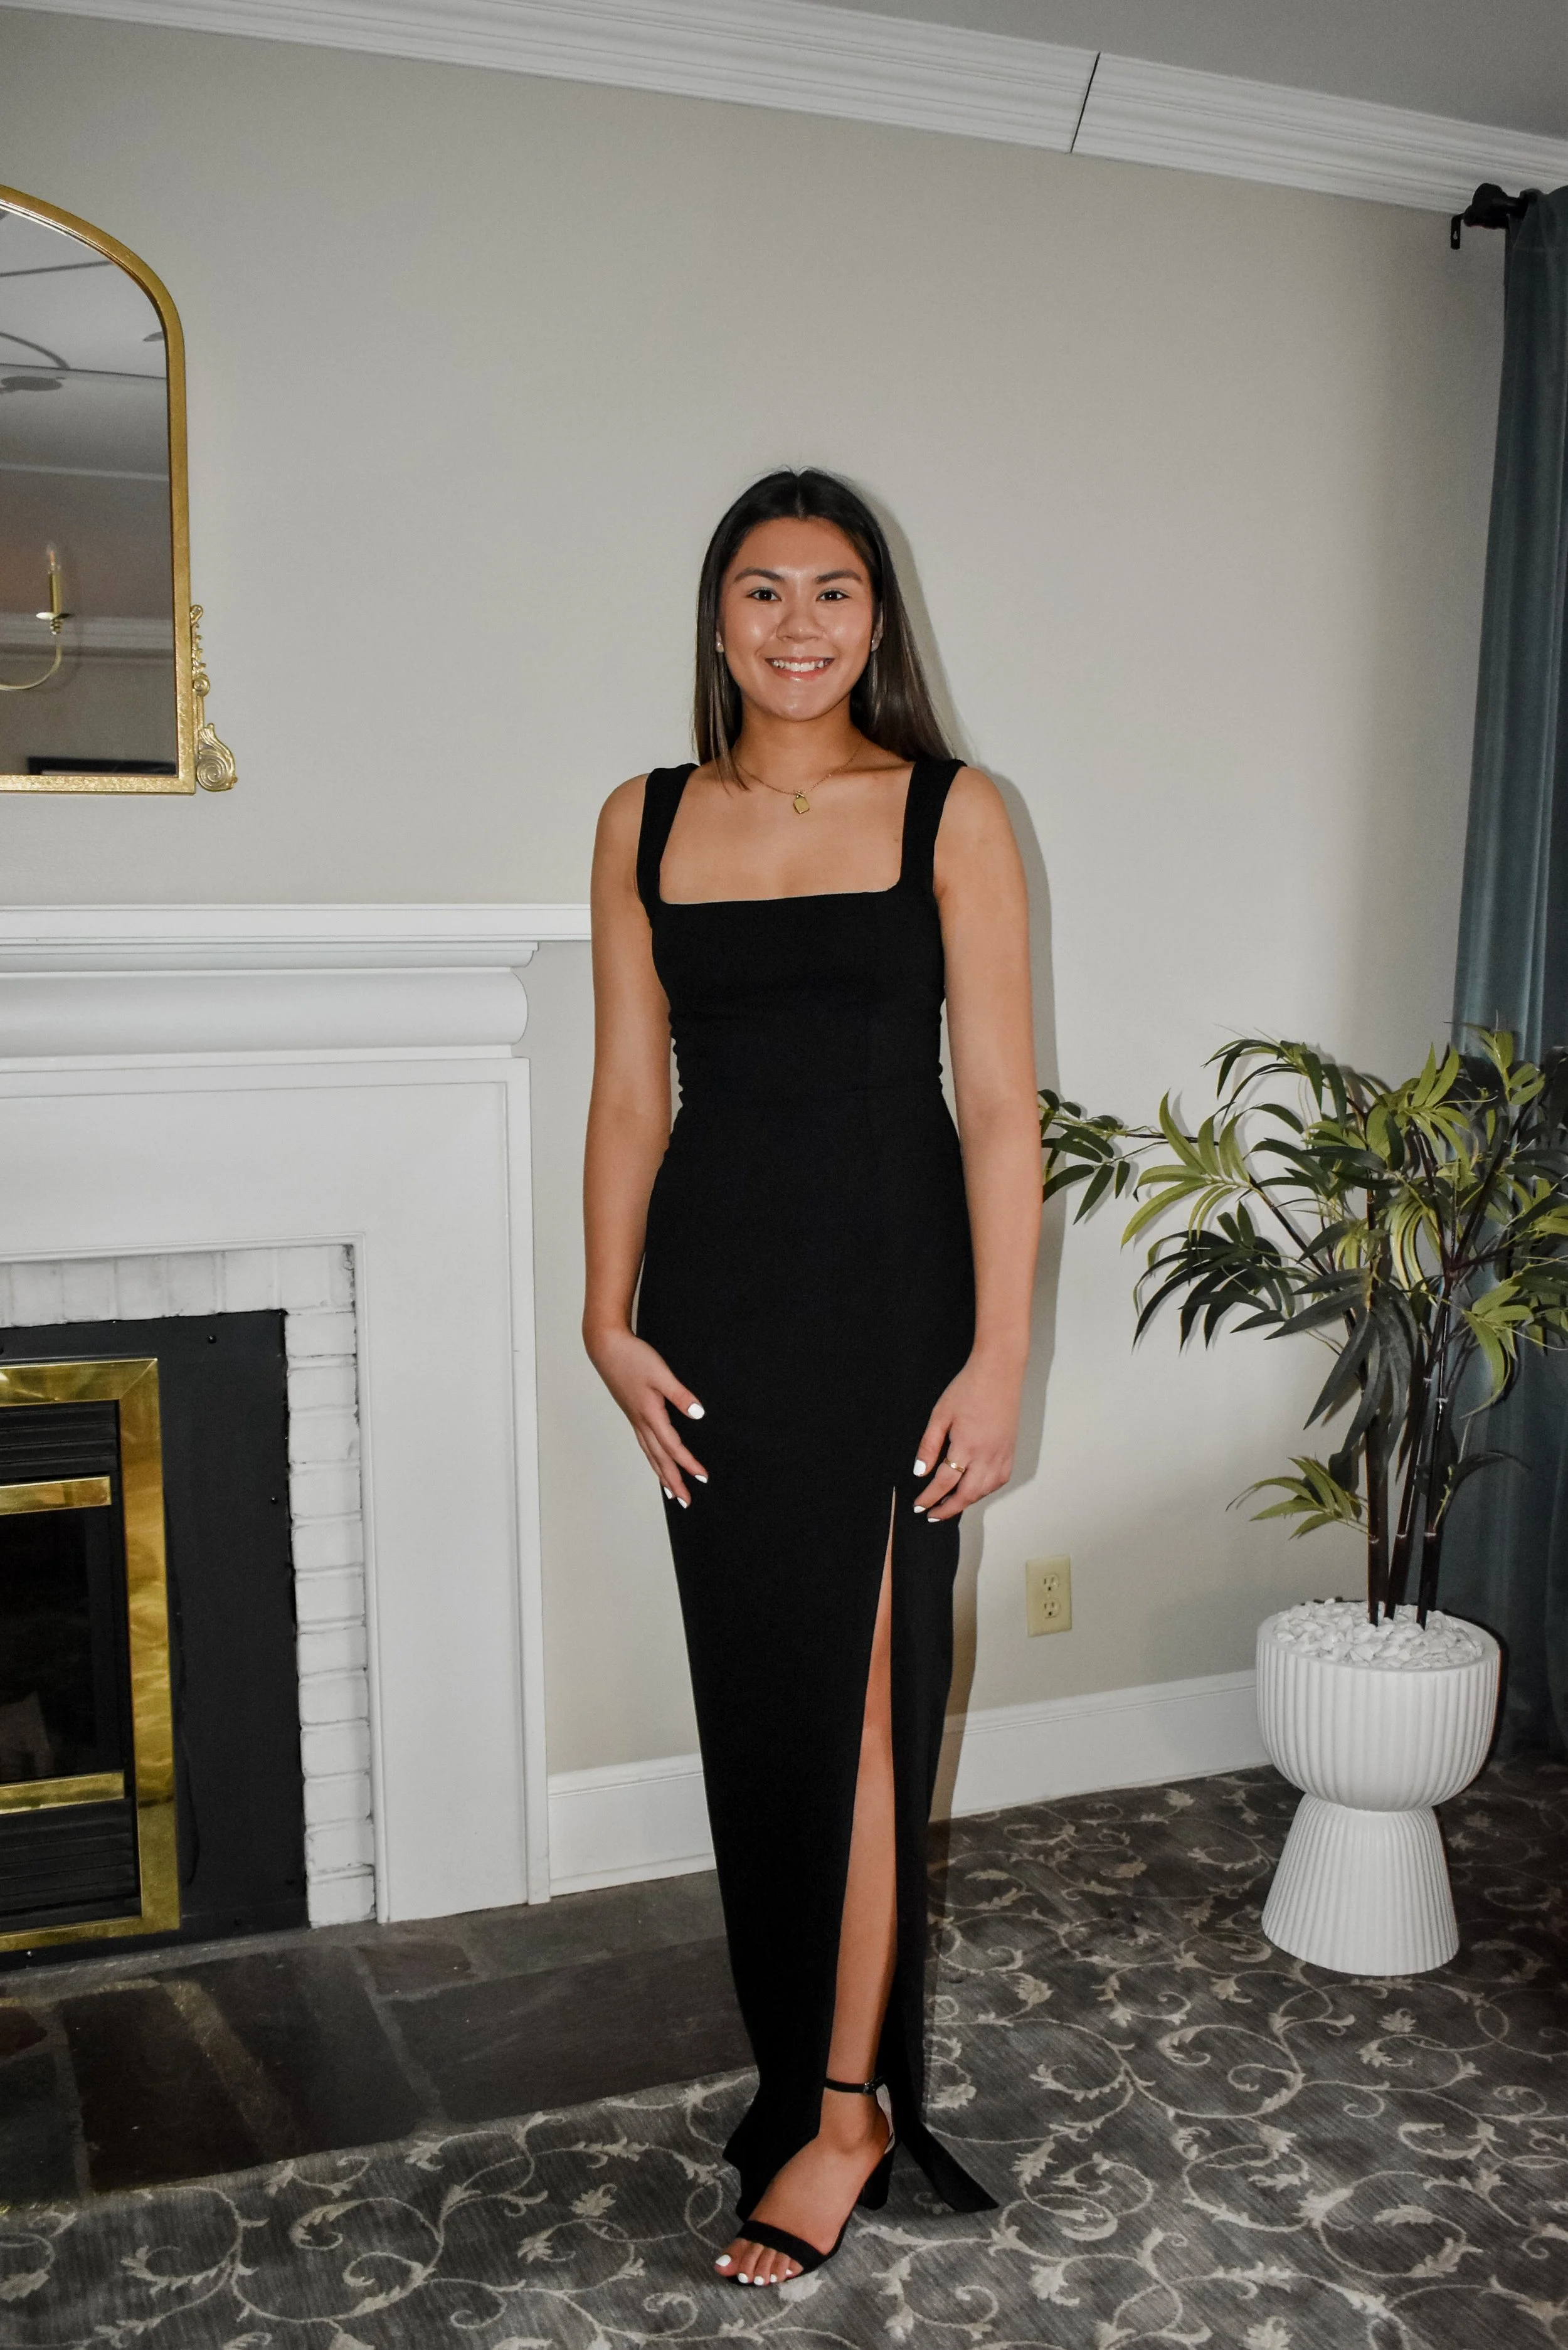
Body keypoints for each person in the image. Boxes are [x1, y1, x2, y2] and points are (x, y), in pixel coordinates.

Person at [583, 468, 1039, 2287]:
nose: (796, 625)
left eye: (832, 592)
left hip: (890, 1291)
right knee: (763, 1698)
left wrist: (1002, 1352)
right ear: (716, 619)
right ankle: (802, 2069)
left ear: (877, 618)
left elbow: (1000, 1103)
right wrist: (600, 1315)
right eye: (760, 592)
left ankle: (846, 2111)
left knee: (859, 1705)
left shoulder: (952, 808)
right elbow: (631, 1090)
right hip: (712, 1305)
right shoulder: (636, 818)